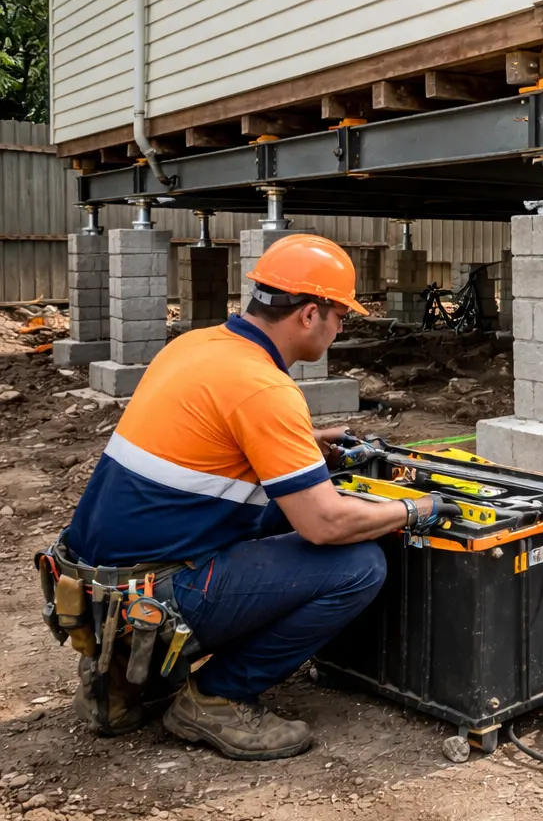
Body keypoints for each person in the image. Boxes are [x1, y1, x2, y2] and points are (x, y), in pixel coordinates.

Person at [60, 234, 455, 759]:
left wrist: (307, 448)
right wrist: (415, 508)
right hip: (158, 587)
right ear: (311, 314)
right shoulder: (264, 389)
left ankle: (124, 677)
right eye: (341, 315)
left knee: (275, 510)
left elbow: (207, 444)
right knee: (358, 563)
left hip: (96, 583)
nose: (342, 328)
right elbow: (324, 524)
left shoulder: (195, 346)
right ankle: (219, 696)